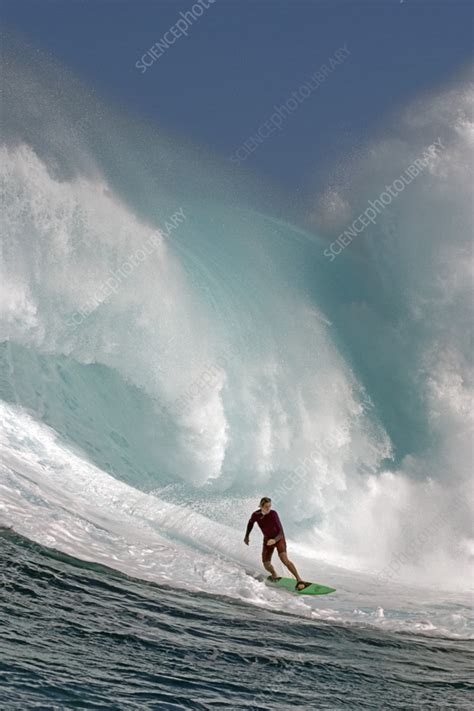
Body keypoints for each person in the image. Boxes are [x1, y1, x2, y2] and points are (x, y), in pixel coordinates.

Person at [244, 497, 310, 591]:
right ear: (261, 506)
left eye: (269, 506)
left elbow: (280, 531)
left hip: (279, 539)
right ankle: (274, 574)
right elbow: (250, 523)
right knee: (266, 564)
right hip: (267, 540)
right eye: (266, 507)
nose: (268, 509)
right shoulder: (255, 515)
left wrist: (275, 540)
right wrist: (247, 536)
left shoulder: (273, 514)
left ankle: (299, 580)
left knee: (284, 559)